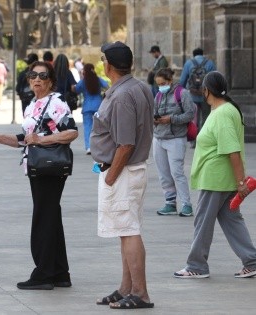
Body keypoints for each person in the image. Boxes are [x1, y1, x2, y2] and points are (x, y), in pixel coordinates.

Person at [0, 61, 78, 290]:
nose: (37, 79)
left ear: (51, 80)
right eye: (32, 75)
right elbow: (25, 138)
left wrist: (42, 140)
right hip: (38, 166)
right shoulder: (33, 104)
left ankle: (43, 274)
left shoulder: (56, 101)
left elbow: (71, 132)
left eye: (42, 76)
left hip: (50, 167)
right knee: (51, 216)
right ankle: (59, 272)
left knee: (43, 218)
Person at [173, 71, 256, 279]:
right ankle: (252, 261)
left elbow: (232, 150)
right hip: (221, 178)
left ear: (207, 90)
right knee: (232, 220)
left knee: (203, 221)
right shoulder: (225, 110)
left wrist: (241, 182)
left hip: (217, 179)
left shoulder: (222, 113)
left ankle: (196, 265)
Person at [91, 41, 155, 309]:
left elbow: (125, 143)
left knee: (129, 231)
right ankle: (126, 287)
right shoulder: (139, 87)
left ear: (108, 65)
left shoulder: (121, 96)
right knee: (126, 230)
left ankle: (140, 292)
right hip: (129, 171)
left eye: (103, 59)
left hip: (122, 172)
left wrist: (110, 176)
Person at [152, 68, 195, 216]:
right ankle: (170, 203)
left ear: (170, 81)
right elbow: (153, 112)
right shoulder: (158, 96)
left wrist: (171, 119)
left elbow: (190, 114)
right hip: (159, 138)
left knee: (177, 172)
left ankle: (186, 204)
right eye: (158, 84)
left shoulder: (182, 93)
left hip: (176, 138)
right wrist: (155, 120)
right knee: (163, 173)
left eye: (163, 83)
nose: (161, 87)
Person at [71, 63, 108, 154]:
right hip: (98, 106)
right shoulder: (98, 79)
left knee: (87, 127)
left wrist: (72, 88)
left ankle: (88, 147)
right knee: (99, 127)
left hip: (87, 106)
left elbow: (76, 89)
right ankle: (100, 146)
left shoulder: (84, 81)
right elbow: (106, 85)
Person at [179, 48, 216, 136]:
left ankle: (193, 139)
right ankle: (204, 138)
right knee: (206, 117)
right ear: (202, 54)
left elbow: (183, 80)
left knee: (193, 118)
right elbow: (214, 78)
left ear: (193, 55)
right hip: (206, 96)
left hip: (192, 95)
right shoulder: (210, 63)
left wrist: (180, 93)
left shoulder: (188, 63)